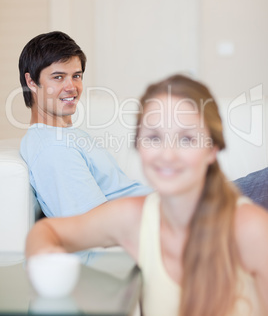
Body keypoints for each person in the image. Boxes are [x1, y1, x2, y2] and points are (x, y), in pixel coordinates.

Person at [25, 74, 268, 316]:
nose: (168, 154)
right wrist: (50, 270)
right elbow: (47, 231)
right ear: (138, 146)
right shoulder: (133, 218)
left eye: (186, 139)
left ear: (212, 150)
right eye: (154, 138)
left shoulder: (252, 230)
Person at [19, 31, 151, 218]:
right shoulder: (54, 147)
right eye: (58, 77)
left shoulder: (63, 134)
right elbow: (92, 228)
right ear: (31, 81)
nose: (72, 87)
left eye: (76, 76)